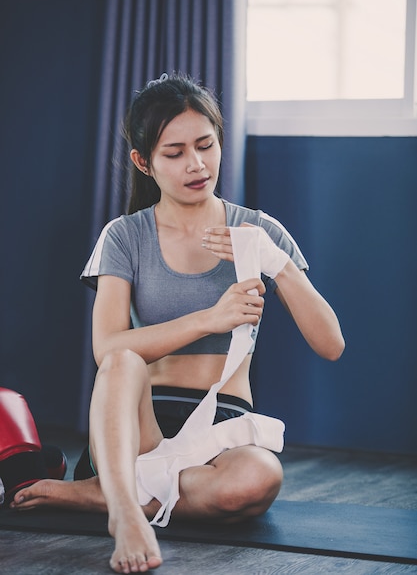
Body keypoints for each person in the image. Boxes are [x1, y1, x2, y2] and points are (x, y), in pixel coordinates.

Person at [10, 73, 345, 573]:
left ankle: (99, 495)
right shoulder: (125, 236)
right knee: (123, 360)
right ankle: (125, 513)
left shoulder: (260, 231)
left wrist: (276, 261)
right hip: (139, 425)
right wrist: (208, 318)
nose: (197, 164)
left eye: (206, 145)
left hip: (220, 427)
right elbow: (107, 348)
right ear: (144, 162)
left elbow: (331, 343)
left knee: (257, 480)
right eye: (175, 152)